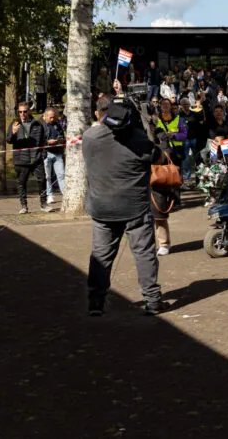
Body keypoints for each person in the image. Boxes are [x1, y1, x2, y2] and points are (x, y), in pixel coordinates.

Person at [84, 96, 169, 316]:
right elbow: (160, 158)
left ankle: (96, 302)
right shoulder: (138, 140)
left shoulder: (90, 137)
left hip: (101, 207)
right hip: (135, 209)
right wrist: (146, 126)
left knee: (101, 256)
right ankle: (152, 300)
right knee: (143, 254)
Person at [7, 102, 48, 214]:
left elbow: (44, 141)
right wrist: (13, 133)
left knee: (42, 180)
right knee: (22, 183)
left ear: (28, 111)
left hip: (36, 158)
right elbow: (9, 140)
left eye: (25, 111)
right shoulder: (15, 123)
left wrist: (43, 155)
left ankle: (43, 204)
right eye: (20, 112)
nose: (22, 114)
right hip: (21, 159)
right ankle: (24, 206)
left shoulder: (37, 124)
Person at [42, 107, 66, 204]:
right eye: (51, 117)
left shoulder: (58, 125)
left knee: (61, 174)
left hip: (58, 153)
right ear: (46, 116)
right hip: (47, 153)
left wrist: (60, 140)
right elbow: (38, 140)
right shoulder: (41, 126)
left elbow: (62, 136)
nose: (53, 119)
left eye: (54, 117)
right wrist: (47, 142)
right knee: (47, 176)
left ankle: (65, 193)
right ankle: (49, 194)